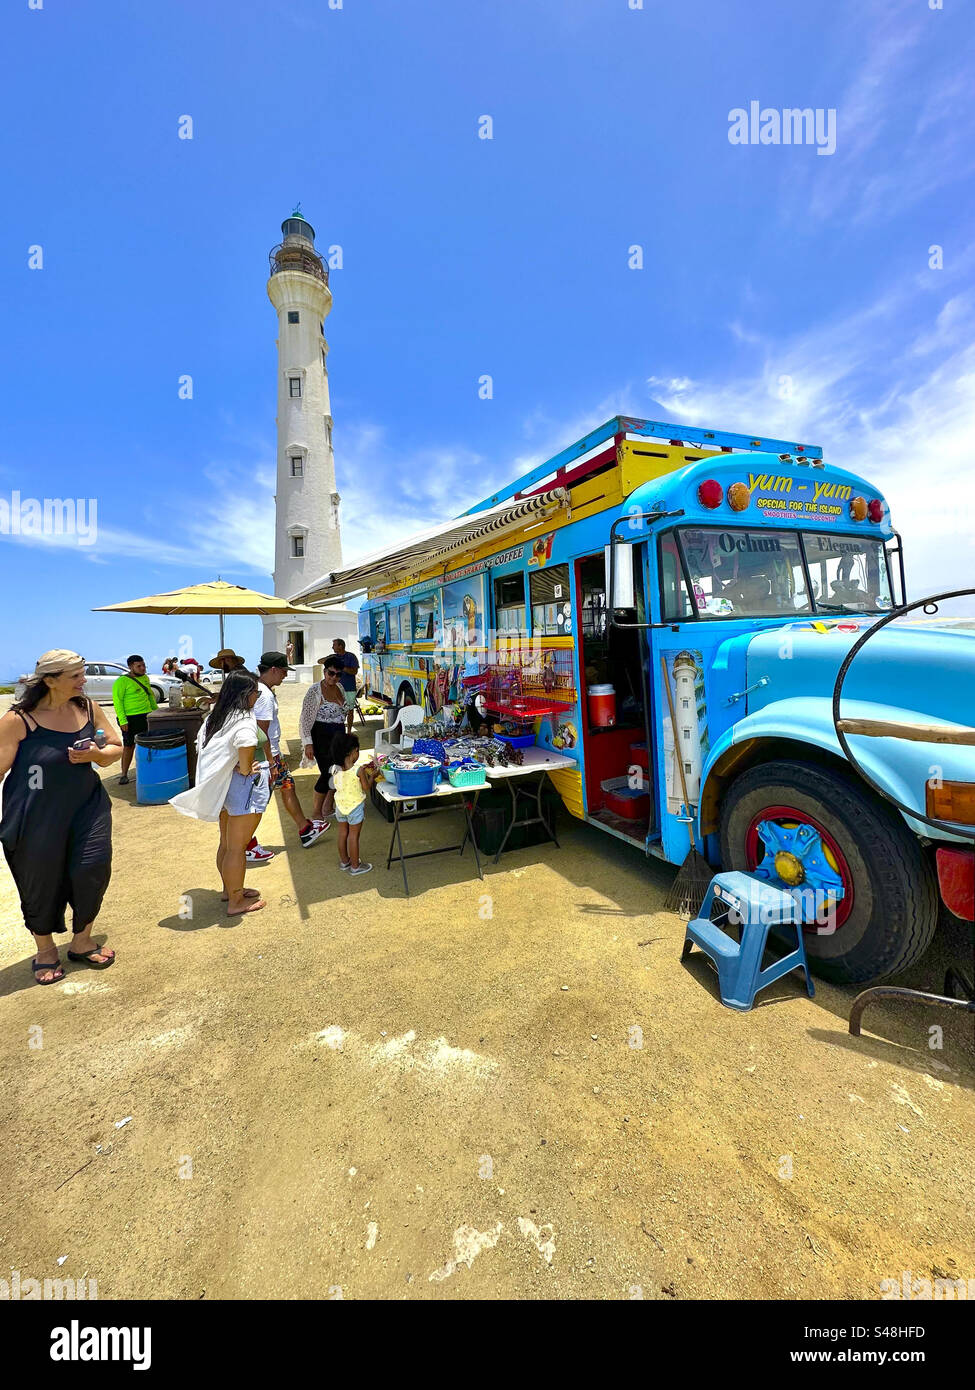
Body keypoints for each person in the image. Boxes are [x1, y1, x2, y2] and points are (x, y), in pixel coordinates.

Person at [0, 650, 122, 983]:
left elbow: (115, 747)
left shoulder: (86, 707)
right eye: (76, 676)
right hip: (34, 815)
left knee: (92, 868)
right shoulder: (17, 720)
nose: (85, 680)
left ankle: (82, 940)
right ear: (51, 681)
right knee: (40, 880)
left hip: (88, 807)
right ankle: (45, 950)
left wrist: (96, 755)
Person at [169, 668, 269, 916]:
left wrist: (233, 764)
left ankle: (230, 889)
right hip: (243, 788)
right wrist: (245, 768)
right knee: (237, 847)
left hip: (224, 786)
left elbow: (206, 748)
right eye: (255, 693)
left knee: (226, 842)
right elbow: (246, 742)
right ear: (246, 695)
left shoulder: (215, 717)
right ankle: (236, 901)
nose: (257, 697)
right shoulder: (245, 720)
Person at [250, 651, 327, 853]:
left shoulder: (258, 689)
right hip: (269, 755)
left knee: (287, 786)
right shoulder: (264, 695)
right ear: (273, 670)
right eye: (283, 671)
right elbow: (261, 732)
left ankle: (305, 828)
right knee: (259, 800)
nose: (285, 676)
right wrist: (271, 761)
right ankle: (245, 842)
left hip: (272, 753)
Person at [298, 656, 349, 824]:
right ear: (324, 671)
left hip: (338, 736)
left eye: (338, 674)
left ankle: (328, 806)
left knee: (339, 770)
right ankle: (316, 812)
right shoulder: (315, 691)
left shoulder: (340, 687)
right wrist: (308, 743)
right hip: (321, 736)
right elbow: (305, 719)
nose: (333, 677)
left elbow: (344, 712)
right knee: (327, 772)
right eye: (330, 673)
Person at [328, 732, 376, 875]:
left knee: (343, 833)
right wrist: (372, 776)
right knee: (354, 836)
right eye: (357, 751)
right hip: (355, 807)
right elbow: (366, 787)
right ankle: (355, 866)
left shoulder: (334, 769)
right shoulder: (358, 770)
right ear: (351, 752)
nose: (358, 754)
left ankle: (345, 861)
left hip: (340, 807)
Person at [112, 653, 158, 785]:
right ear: (131, 667)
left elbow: (150, 696)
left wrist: (156, 712)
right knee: (129, 746)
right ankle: (124, 774)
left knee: (147, 744)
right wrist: (123, 720)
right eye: (139, 666)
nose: (143, 668)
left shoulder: (145, 678)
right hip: (130, 718)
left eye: (144, 665)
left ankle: (147, 770)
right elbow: (118, 701)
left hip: (147, 716)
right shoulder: (122, 681)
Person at [332, 638, 359, 733]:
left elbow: (354, 671)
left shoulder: (351, 657)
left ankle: (349, 731)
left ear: (340, 646)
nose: (332, 647)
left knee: (350, 711)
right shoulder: (334, 657)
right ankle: (340, 730)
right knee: (337, 711)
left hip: (349, 688)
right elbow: (320, 661)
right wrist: (329, 658)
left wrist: (342, 666)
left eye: (334, 645)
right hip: (336, 688)